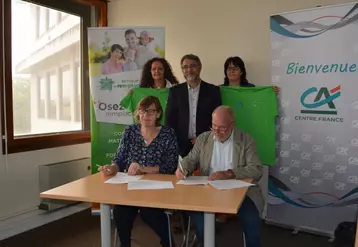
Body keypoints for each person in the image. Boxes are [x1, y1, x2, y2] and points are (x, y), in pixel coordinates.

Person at [176, 106, 264, 247]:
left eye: (222, 128)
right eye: (214, 126)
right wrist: (183, 168)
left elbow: (256, 170)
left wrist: (230, 173)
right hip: (208, 190)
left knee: (251, 219)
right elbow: (190, 159)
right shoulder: (204, 138)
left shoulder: (246, 140)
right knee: (199, 220)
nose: (216, 131)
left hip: (240, 191)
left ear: (232, 125)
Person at [98, 96, 178, 247]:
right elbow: (119, 160)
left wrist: (143, 169)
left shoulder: (168, 134)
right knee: (120, 212)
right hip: (131, 189)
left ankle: (168, 243)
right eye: (142, 111)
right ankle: (125, 244)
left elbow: (170, 167)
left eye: (151, 112)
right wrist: (112, 168)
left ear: (159, 114)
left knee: (151, 213)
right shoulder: (130, 131)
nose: (145, 116)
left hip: (157, 188)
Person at [165, 54, 221, 158]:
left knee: (204, 173)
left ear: (200, 67)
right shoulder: (175, 92)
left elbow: (218, 119)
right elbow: (169, 120)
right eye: (185, 67)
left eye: (193, 66)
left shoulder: (213, 91)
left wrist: (205, 137)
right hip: (181, 146)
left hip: (206, 144)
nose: (189, 70)